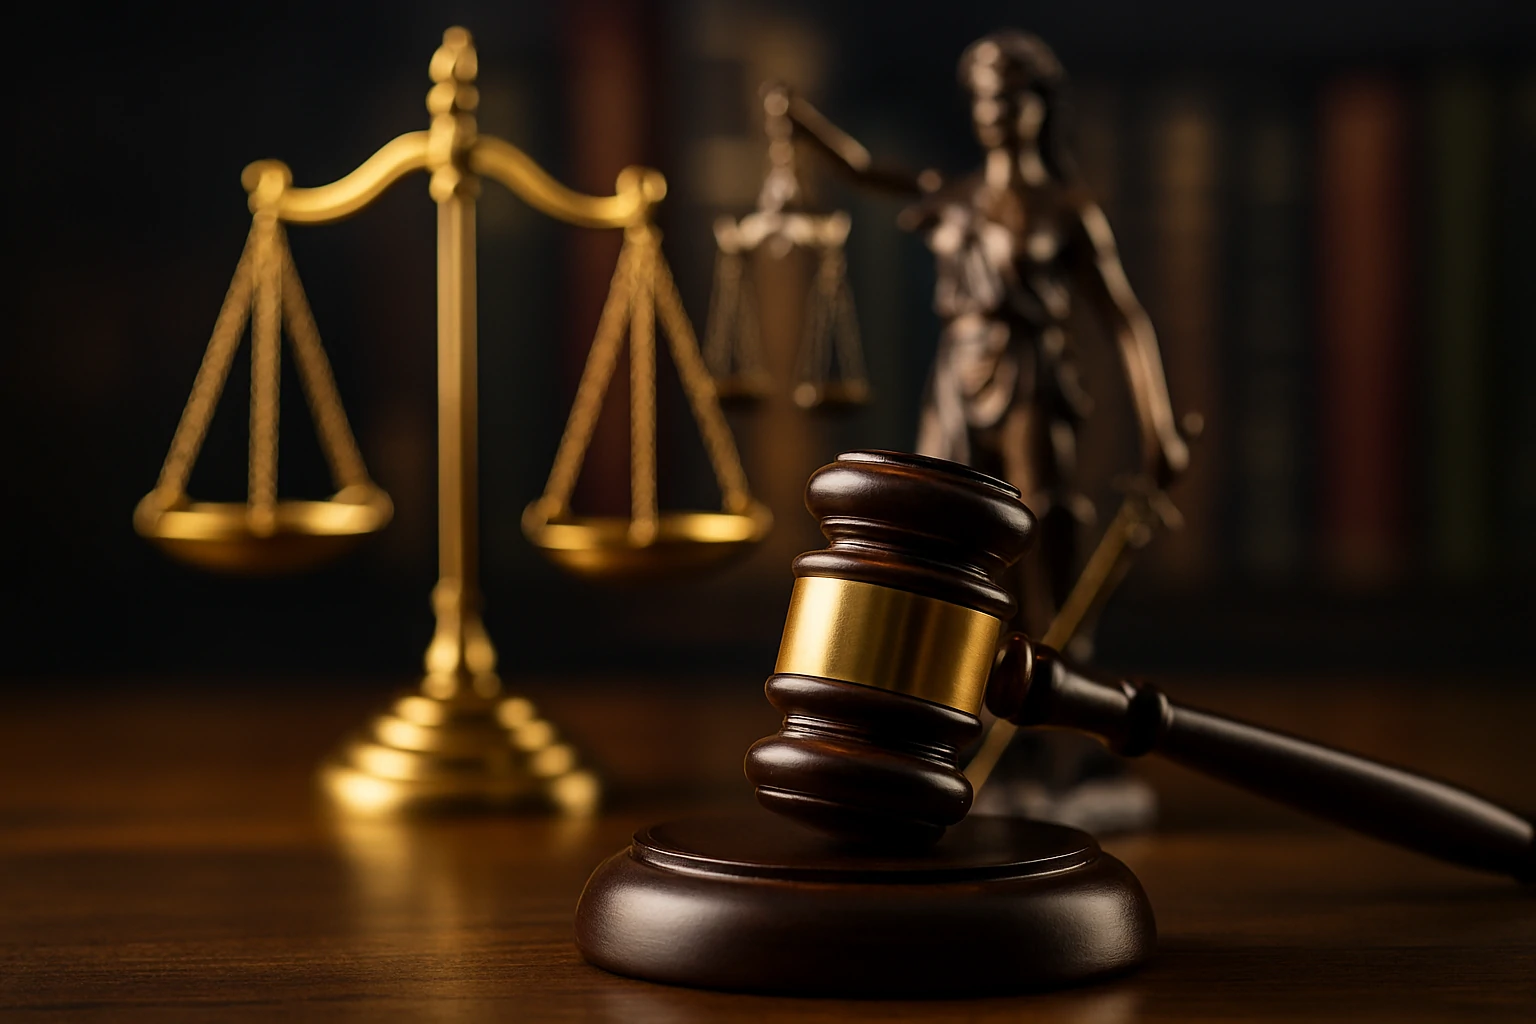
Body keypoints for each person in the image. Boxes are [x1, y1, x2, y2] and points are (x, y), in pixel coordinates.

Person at [769, 30, 1191, 830]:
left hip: (1031, 378)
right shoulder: (953, 193)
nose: (996, 113)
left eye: (1012, 97)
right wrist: (803, 128)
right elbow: (861, 171)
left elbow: (1126, 319)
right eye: (984, 98)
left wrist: (1160, 429)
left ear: (1043, 107)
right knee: (936, 552)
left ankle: (1052, 724)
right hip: (955, 381)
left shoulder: (1068, 212)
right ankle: (945, 713)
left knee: (1040, 545)